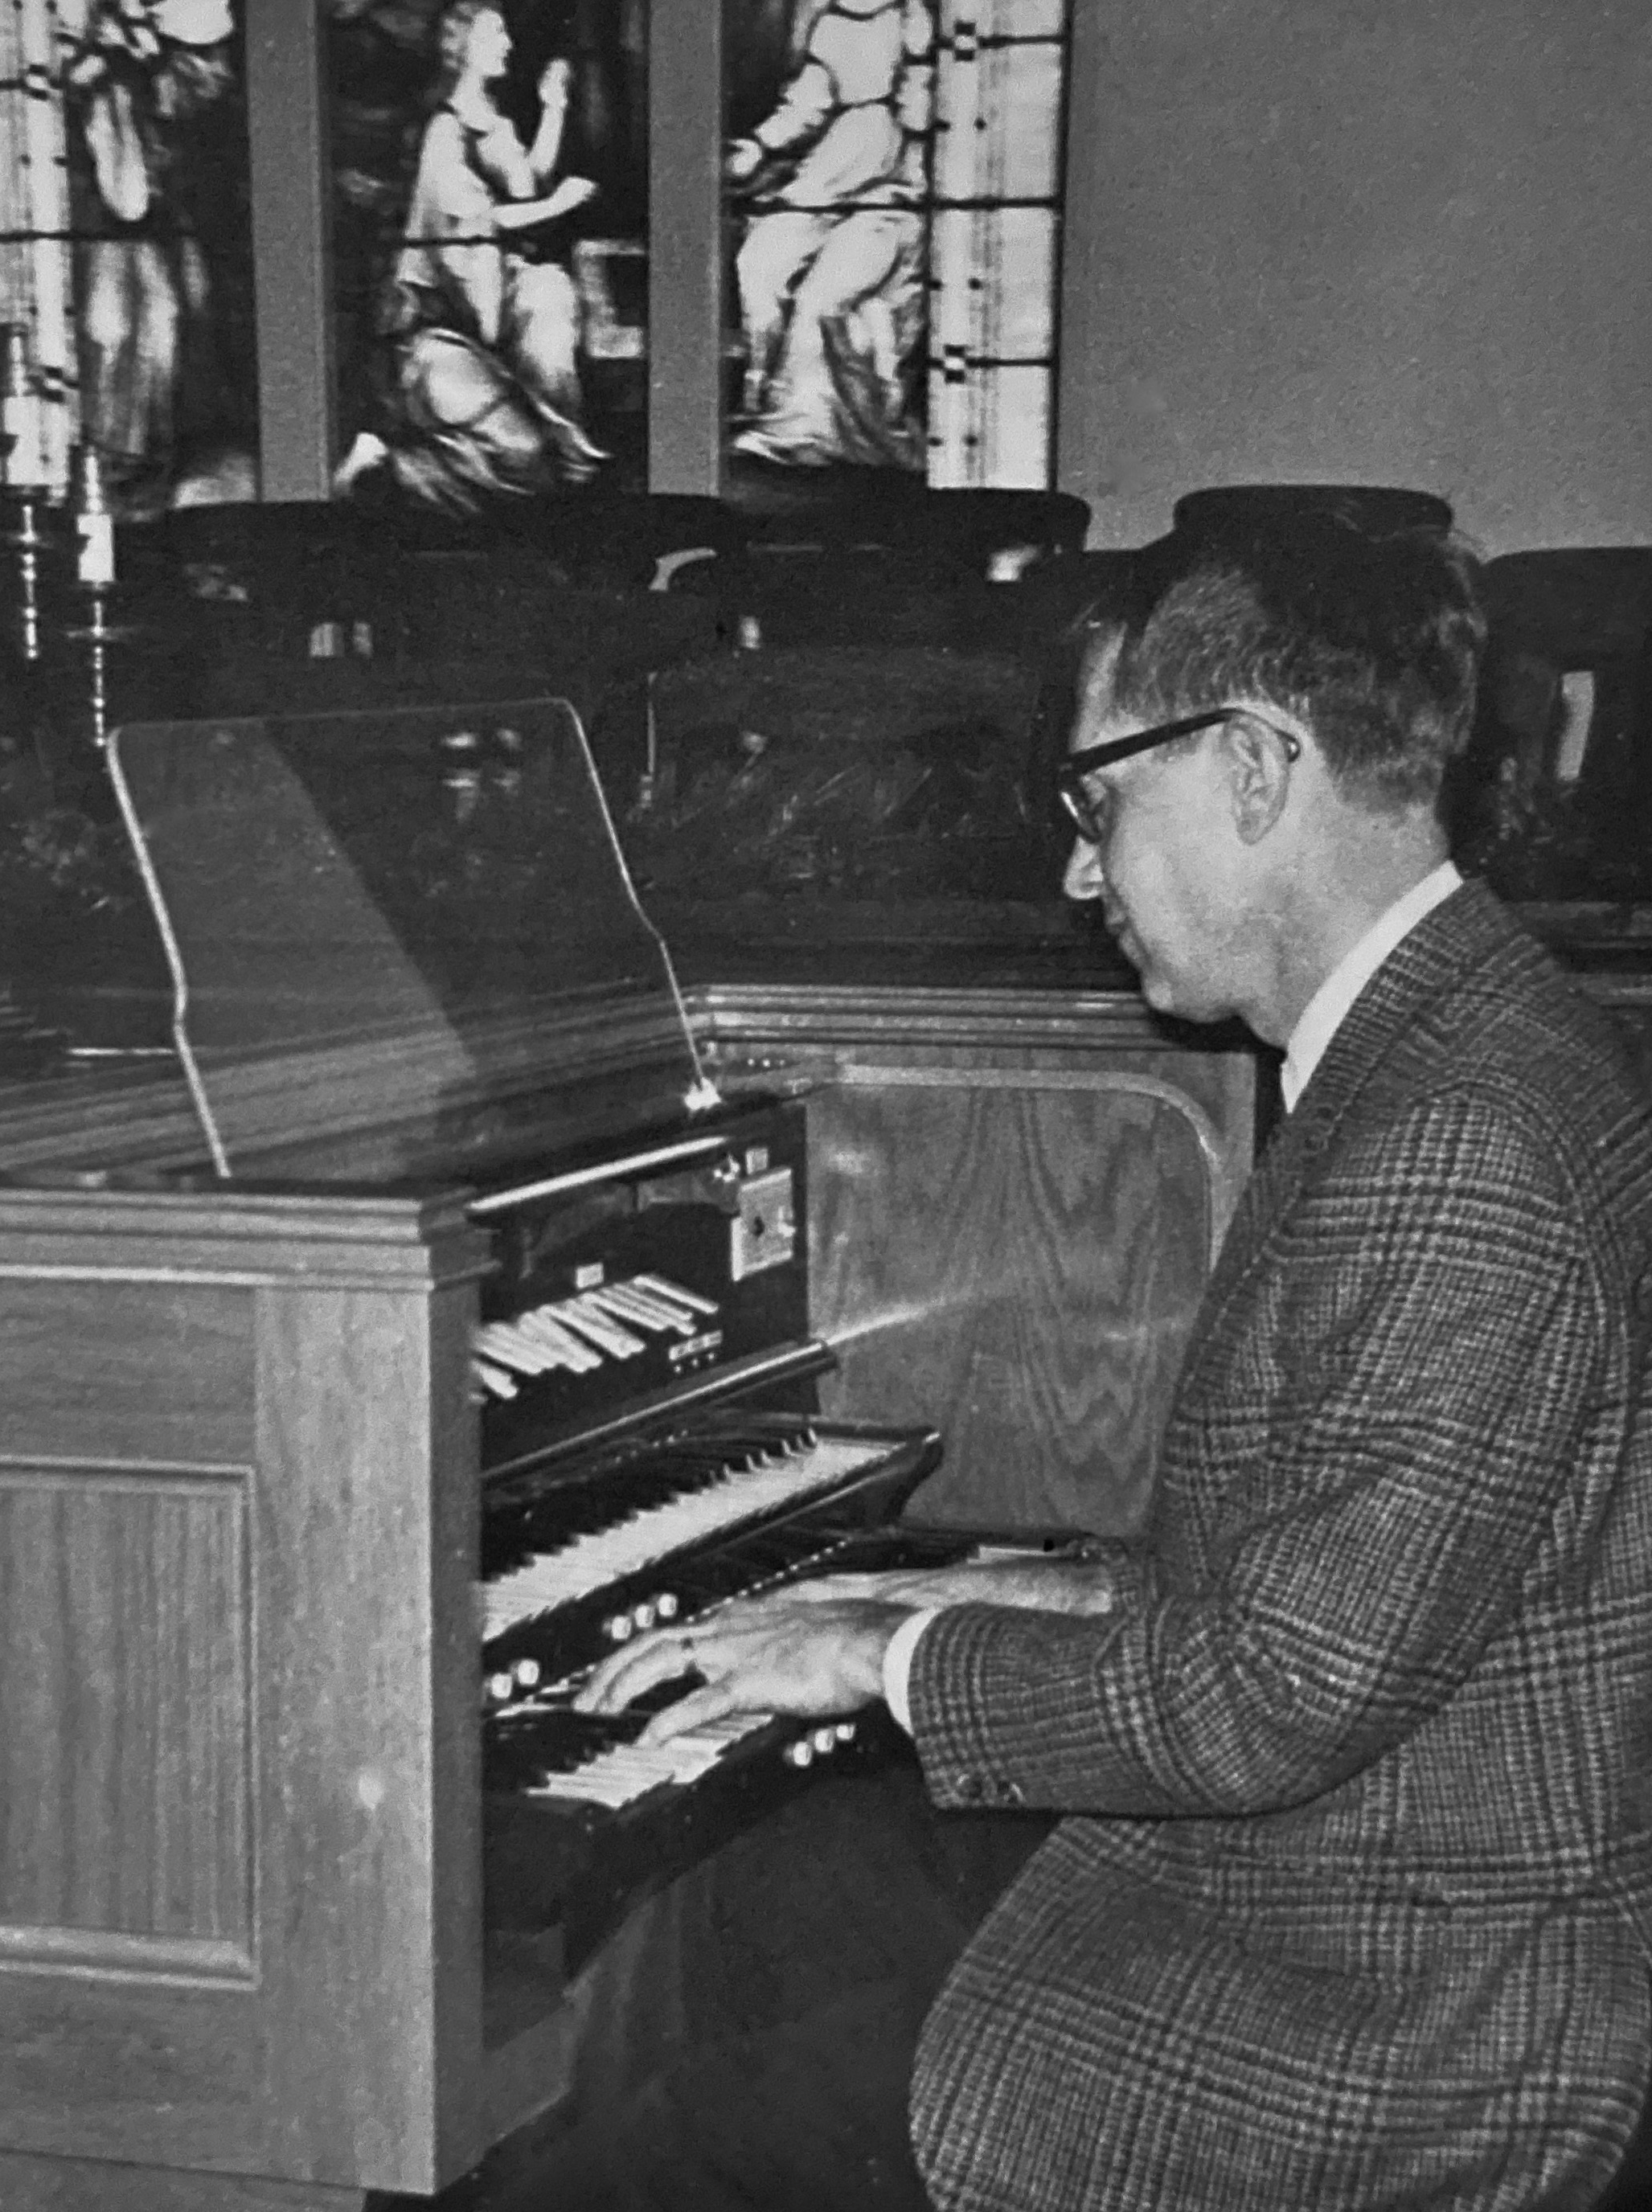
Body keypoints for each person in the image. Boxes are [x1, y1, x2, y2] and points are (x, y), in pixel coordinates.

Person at [500, 515, 1652, 2210]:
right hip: (1365, 1867)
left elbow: (1262, 1702)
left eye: (1098, 796)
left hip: (1394, 2014)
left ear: (1258, 767)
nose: (1074, 870)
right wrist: (948, 1598)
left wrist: (883, 1665)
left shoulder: (1453, 1135)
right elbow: (1322, 1576)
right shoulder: (1461, 1034)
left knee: (661, 2157)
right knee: (754, 1892)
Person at [330, 2, 604, 516]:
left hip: (490, 299)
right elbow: (480, 222)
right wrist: (560, 204)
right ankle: (391, 470)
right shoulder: (444, 134)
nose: (508, 44)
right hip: (437, 333)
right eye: (494, 34)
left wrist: (554, 109)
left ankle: (563, 446)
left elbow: (527, 186)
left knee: (550, 294)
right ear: (461, 50)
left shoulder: (492, 122)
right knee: (525, 461)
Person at [725, 0, 930, 469]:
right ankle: (766, 402)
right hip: (829, 175)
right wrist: (758, 147)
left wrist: (918, 59)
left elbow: (926, 116)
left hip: (893, 191)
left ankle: (802, 431)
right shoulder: (835, 23)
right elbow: (809, 102)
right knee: (760, 260)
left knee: (821, 295)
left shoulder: (922, 20)